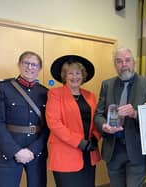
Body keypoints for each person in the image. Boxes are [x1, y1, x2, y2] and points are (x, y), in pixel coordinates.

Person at [94, 47, 146, 187]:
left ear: (134, 63)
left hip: (137, 149)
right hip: (113, 149)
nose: (124, 64)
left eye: (127, 60)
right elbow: (98, 114)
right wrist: (104, 126)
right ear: (115, 65)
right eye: (119, 61)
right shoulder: (107, 85)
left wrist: (135, 113)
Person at [45, 55, 101, 187]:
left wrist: (95, 137)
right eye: (70, 73)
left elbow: (97, 118)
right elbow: (54, 123)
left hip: (88, 153)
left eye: (78, 73)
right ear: (64, 76)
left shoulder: (90, 95)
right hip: (65, 154)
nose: (74, 77)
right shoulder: (55, 94)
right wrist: (79, 142)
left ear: (83, 75)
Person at [0, 51, 48, 187]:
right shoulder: (3, 88)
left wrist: (34, 150)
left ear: (39, 69)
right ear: (19, 65)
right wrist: (15, 151)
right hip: (8, 151)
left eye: (34, 65)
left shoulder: (45, 93)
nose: (30, 67)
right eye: (26, 63)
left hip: (36, 152)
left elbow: (48, 127)